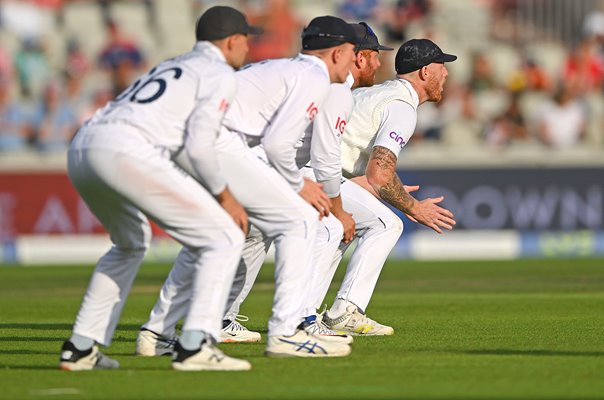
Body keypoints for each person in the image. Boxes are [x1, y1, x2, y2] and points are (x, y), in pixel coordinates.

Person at [136, 16, 358, 358]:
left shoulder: (288, 68)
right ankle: (287, 332)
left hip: (184, 139)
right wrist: (300, 185)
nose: (355, 60)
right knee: (298, 221)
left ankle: (157, 332)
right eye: (353, 52)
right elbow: (277, 145)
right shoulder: (315, 76)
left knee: (210, 235)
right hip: (216, 141)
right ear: (338, 52)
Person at [59, 6, 261, 372]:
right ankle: (195, 344)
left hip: (84, 146)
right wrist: (226, 198)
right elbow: (198, 145)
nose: (248, 48)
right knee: (225, 236)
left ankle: (81, 346)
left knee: (130, 244)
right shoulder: (219, 73)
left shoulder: (172, 64)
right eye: (246, 40)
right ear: (232, 41)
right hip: (127, 149)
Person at [216, 21, 393, 343]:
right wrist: (337, 209)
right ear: (357, 56)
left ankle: (216, 320)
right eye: (374, 55)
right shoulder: (336, 89)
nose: (380, 64)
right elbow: (323, 160)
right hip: (246, 160)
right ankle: (300, 321)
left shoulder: (309, 76)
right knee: (326, 227)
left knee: (254, 234)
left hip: (227, 155)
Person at [321, 39, 457, 335]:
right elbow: (379, 175)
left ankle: (304, 317)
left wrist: (388, 190)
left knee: (346, 226)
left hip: (313, 175)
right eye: (441, 67)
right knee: (386, 225)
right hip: (318, 178)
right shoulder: (401, 107)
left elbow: (351, 164)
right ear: (424, 72)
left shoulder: (376, 93)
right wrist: (414, 207)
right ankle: (345, 311)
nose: (446, 74)